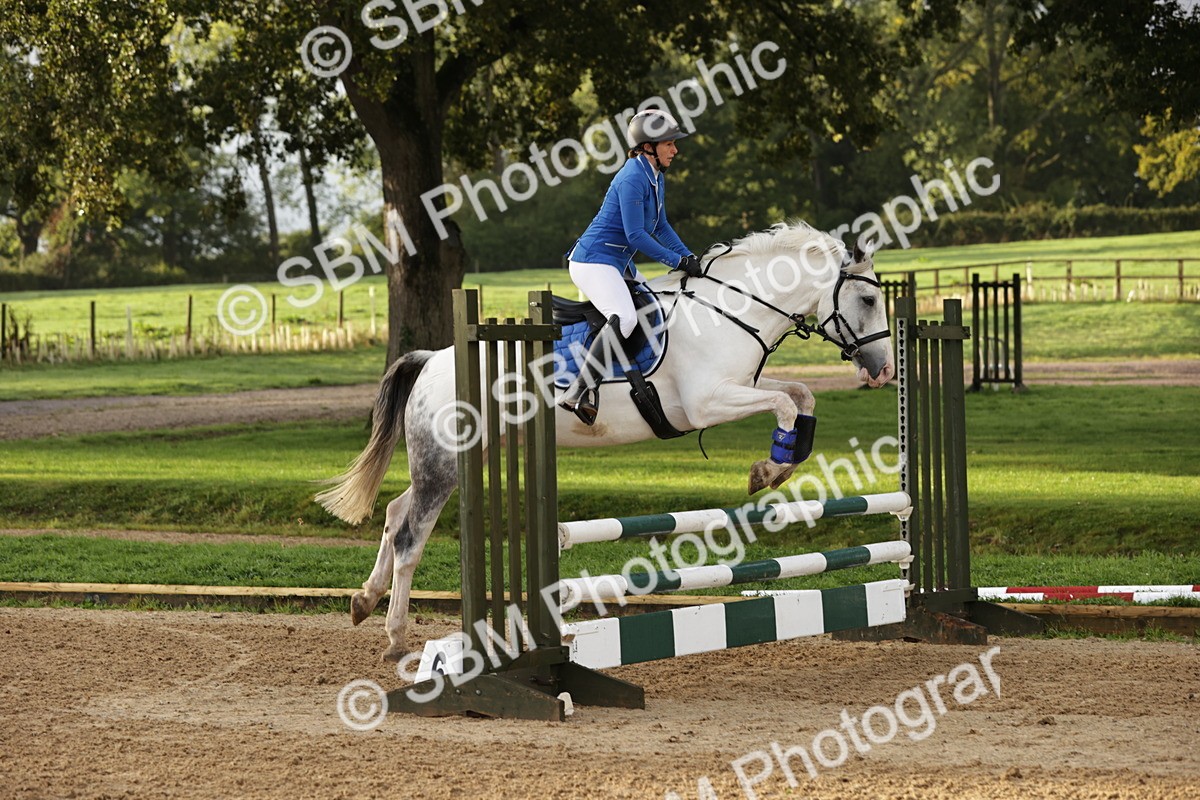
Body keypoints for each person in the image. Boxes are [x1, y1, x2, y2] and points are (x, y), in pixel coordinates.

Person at [560, 109, 703, 425]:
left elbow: (661, 226)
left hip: (616, 263)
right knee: (624, 318)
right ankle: (579, 389)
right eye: (669, 144)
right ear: (648, 145)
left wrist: (690, 257)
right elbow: (636, 234)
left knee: (657, 300)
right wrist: (675, 261)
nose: (675, 150)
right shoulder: (632, 177)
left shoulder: (654, 177)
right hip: (592, 261)